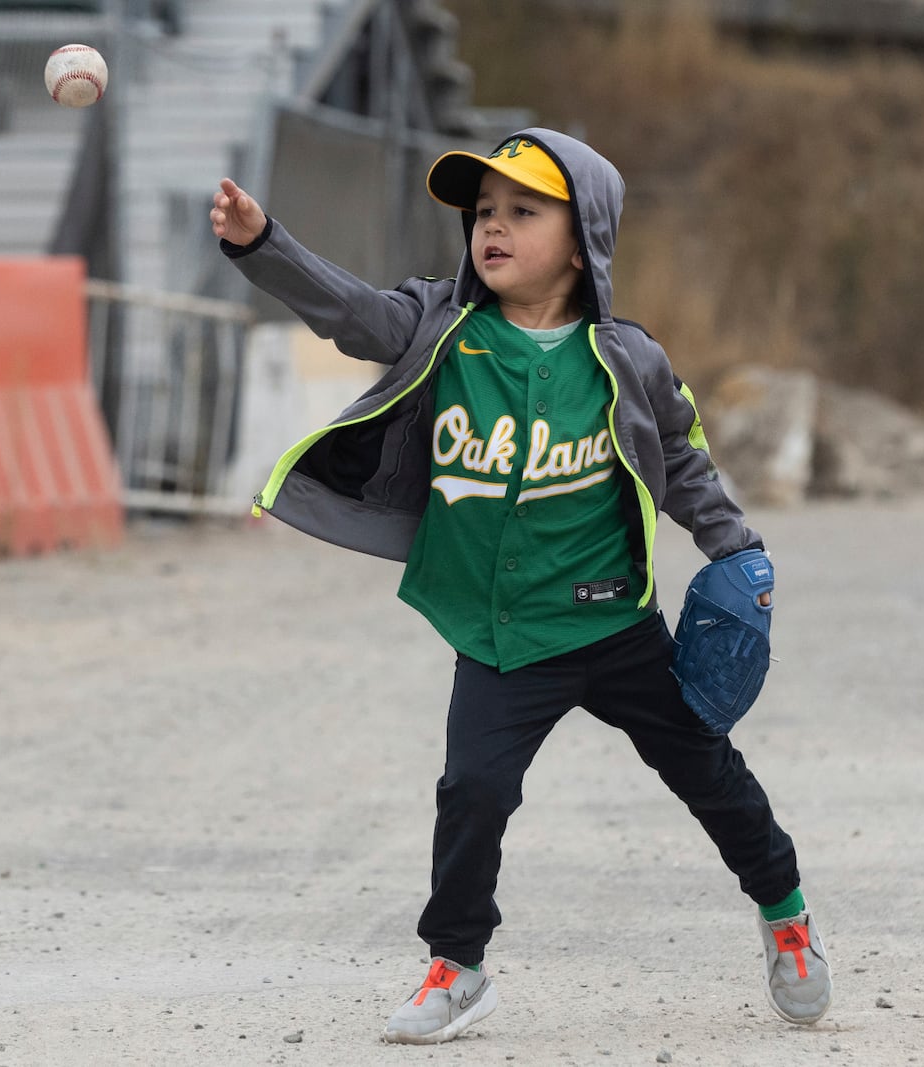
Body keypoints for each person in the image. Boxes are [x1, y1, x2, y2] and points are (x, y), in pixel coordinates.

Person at [210, 128, 832, 1045]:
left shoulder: (627, 358)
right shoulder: (442, 329)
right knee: (473, 790)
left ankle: (786, 913)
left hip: (618, 625)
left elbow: (688, 464)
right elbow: (352, 313)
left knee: (708, 774)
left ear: (582, 241)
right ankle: (458, 968)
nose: (492, 228)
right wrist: (264, 244)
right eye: (483, 213)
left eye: (522, 211)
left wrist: (736, 551)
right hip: (502, 634)